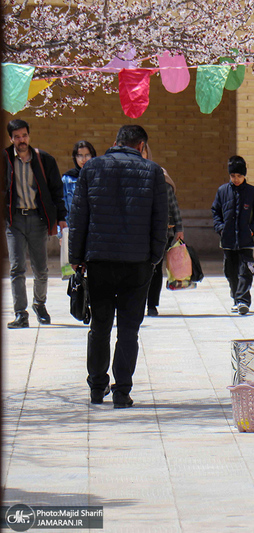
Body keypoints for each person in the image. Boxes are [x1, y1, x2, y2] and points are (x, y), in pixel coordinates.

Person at [69, 124, 168, 408]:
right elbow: (160, 221)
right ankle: (122, 391)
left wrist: (76, 257)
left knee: (99, 325)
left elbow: (79, 216)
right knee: (128, 328)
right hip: (137, 262)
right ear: (141, 146)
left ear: (116, 142)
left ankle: (97, 387)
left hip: (99, 259)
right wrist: (154, 256)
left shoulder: (91, 168)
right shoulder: (152, 172)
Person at [3, 119, 68, 328]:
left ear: (29, 136)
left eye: (24, 135)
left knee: (41, 268)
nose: (21, 140)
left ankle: (39, 304)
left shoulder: (44, 160)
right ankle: (20, 314)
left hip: (37, 219)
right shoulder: (4, 159)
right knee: (17, 268)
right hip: (14, 221)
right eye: (17, 137)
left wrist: (61, 219)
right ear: (11, 138)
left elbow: (57, 191)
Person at [211, 156, 254, 315]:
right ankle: (236, 298)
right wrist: (220, 228)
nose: (236, 179)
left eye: (239, 176)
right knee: (231, 271)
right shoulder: (222, 191)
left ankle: (243, 300)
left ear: (244, 176)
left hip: (246, 239)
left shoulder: (253, 192)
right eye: (233, 176)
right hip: (228, 239)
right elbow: (215, 212)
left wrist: (252, 229)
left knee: (245, 270)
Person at [143, 143, 184, 317]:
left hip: (160, 231)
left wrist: (179, 227)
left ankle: (152, 304)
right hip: (135, 232)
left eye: (143, 151)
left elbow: (172, 203)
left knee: (155, 269)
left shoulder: (160, 174)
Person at [62, 140, 96, 225]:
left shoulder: (98, 177)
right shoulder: (67, 179)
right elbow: (63, 208)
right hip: (73, 226)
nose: (84, 159)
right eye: (80, 155)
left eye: (87, 155)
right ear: (75, 157)